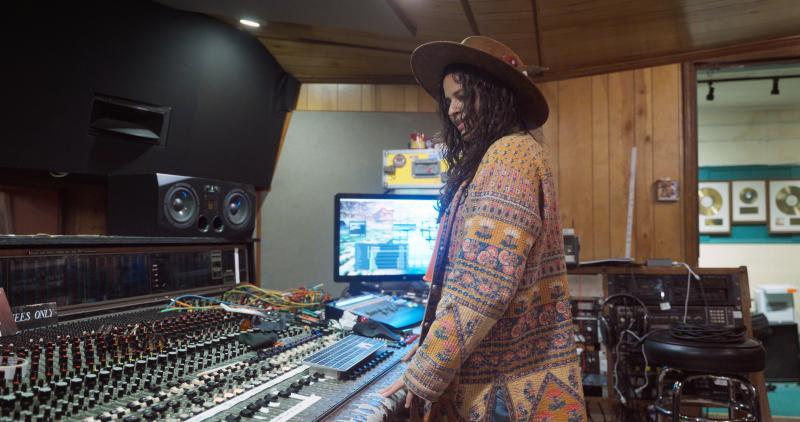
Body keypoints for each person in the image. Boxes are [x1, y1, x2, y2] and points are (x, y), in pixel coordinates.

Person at [380, 36, 587, 421]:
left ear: (494, 94)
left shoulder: (509, 155)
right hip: (508, 383)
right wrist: (429, 344)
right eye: (448, 100)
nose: (453, 110)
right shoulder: (512, 152)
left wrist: (426, 370)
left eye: (463, 96)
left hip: (502, 390)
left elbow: (483, 285)